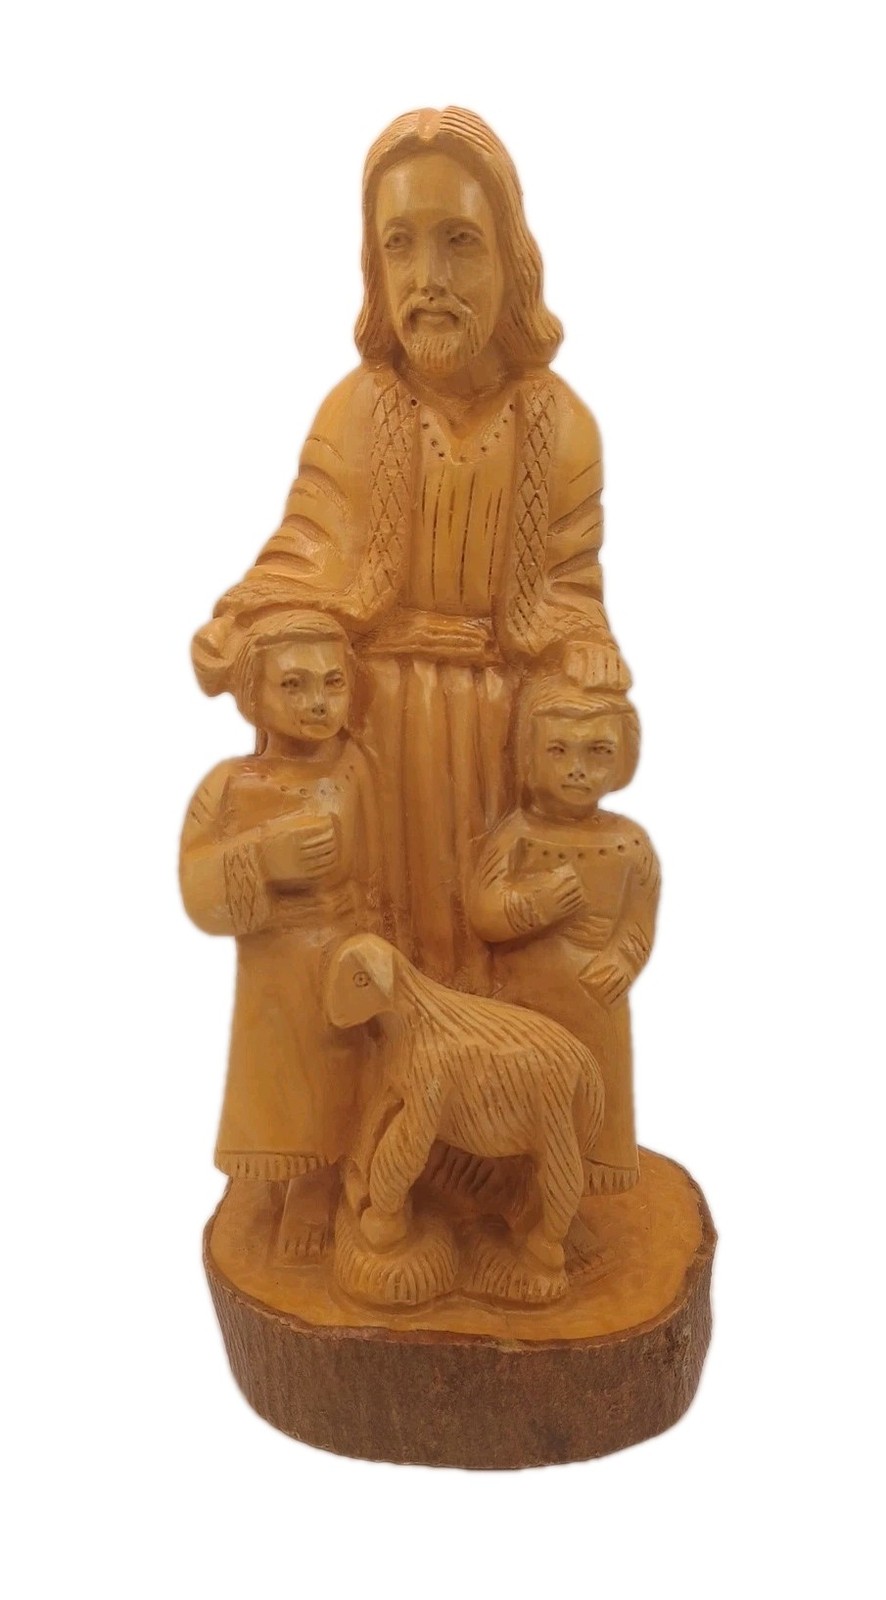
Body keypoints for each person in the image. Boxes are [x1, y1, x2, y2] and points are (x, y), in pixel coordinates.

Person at [193, 107, 630, 988]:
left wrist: (584, 650)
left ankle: (489, 1068)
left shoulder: (560, 426)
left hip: (501, 732)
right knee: (377, 937)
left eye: (459, 242)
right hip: (372, 726)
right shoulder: (357, 410)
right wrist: (244, 625)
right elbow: (305, 551)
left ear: (511, 259)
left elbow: (570, 591)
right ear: (373, 264)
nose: (428, 279)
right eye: (400, 245)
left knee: (489, 930)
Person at [180, 609, 381, 1257]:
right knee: (273, 1075)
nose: (317, 702)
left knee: (334, 1071)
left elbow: (388, 866)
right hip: (271, 962)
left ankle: (318, 1185)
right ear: (253, 695)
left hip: (341, 954)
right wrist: (263, 859)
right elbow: (197, 886)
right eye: (293, 685)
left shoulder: (356, 769)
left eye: (332, 683)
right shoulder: (230, 786)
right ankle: (271, 1176)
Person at [468, 658, 659, 1193]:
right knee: (528, 1089)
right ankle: (518, 1178)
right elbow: (484, 912)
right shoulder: (518, 836)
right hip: (526, 1002)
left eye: (598, 752)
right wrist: (535, 904)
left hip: (596, 1002)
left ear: (624, 757)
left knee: (596, 1088)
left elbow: (638, 919)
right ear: (530, 756)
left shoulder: (630, 844)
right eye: (559, 751)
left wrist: (622, 960)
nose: (578, 769)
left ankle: (590, 1179)